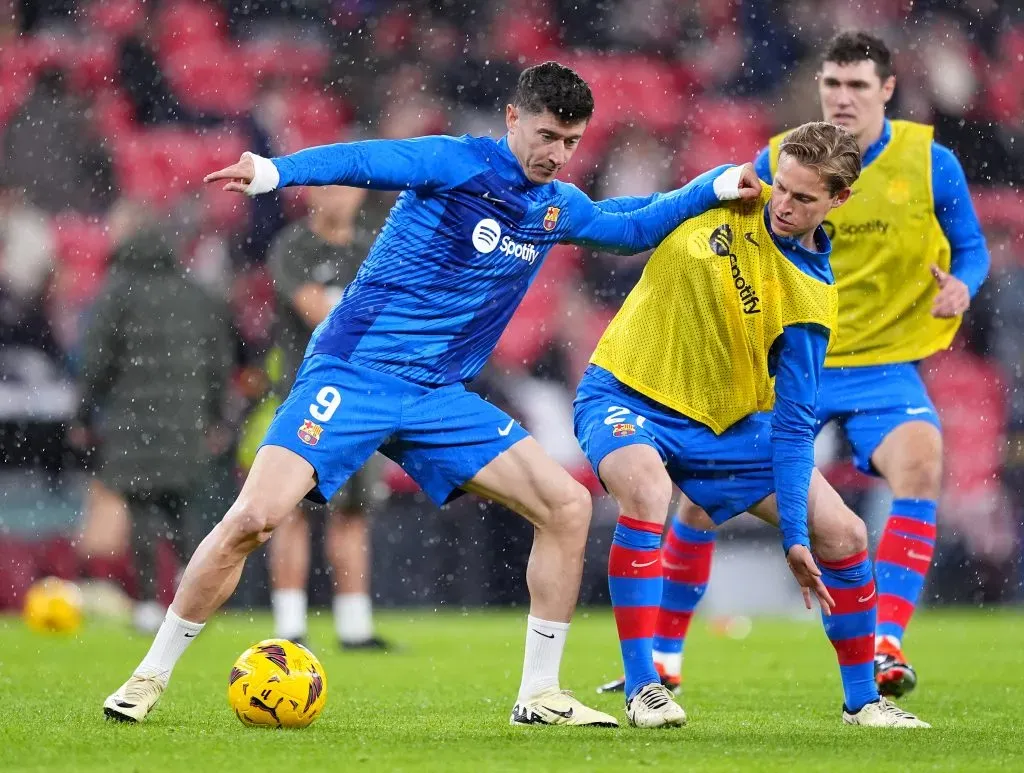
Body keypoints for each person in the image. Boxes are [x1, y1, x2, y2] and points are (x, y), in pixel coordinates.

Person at [102, 61, 755, 727]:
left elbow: (635, 227)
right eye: (547, 135)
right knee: (253, 519)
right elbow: (366, 160)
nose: (555, 153)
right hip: (353, 373)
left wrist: (718, 184)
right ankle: (148, 675)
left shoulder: (555, 205)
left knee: (566, 506)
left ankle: (539, 694)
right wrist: (276, 172)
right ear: (512, 119)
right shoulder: (455, 163)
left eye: (570, 142)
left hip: (437, 394)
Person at [603, 30, 991, 701]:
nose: (842, 98)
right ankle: (665, 656)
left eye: (858, 86)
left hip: (880, 361)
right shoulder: (783, 158)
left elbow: (973, 249)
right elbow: (730, 227)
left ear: (888, 92)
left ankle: (883, 641)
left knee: (922, 457)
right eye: (832, 84)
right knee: (698, 502)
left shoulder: (929, 162)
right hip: (784, 358)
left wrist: (963, 285)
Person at [574, 121, 930, 729]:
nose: (782, 205)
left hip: (727, 427)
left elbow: (794, 429)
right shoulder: (726, 194)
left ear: (838, 200)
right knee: (648, 491)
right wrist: (706, 187)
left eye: (803, 197)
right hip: (629, 393)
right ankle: (644, 688)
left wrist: (794, 534)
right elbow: (625, 227)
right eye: (781, 186)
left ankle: (862, 702)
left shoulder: (810, 300)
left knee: (844, 535)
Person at [71, 202, 234, 634]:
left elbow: (96, 361)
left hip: (132, 419)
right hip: (185, 422)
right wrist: (218, 416)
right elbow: (219, 362)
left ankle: (147, 603)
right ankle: (191, 598)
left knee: (142, 508)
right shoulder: (195, 292)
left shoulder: (118, 290)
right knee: (184, 510)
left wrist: (83, 414)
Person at [246, 184, 391, 650]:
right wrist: (368, 318)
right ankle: (289, 626)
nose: (336, 199)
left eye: (346, 190)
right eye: (328, 189)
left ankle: (355, 627)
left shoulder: (372, 247)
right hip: (305, 394)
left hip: (361, 400)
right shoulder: (292, 245)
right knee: (292, 513)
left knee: (353, 512)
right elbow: (317, 313)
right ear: (311, 196)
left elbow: (388, 317)